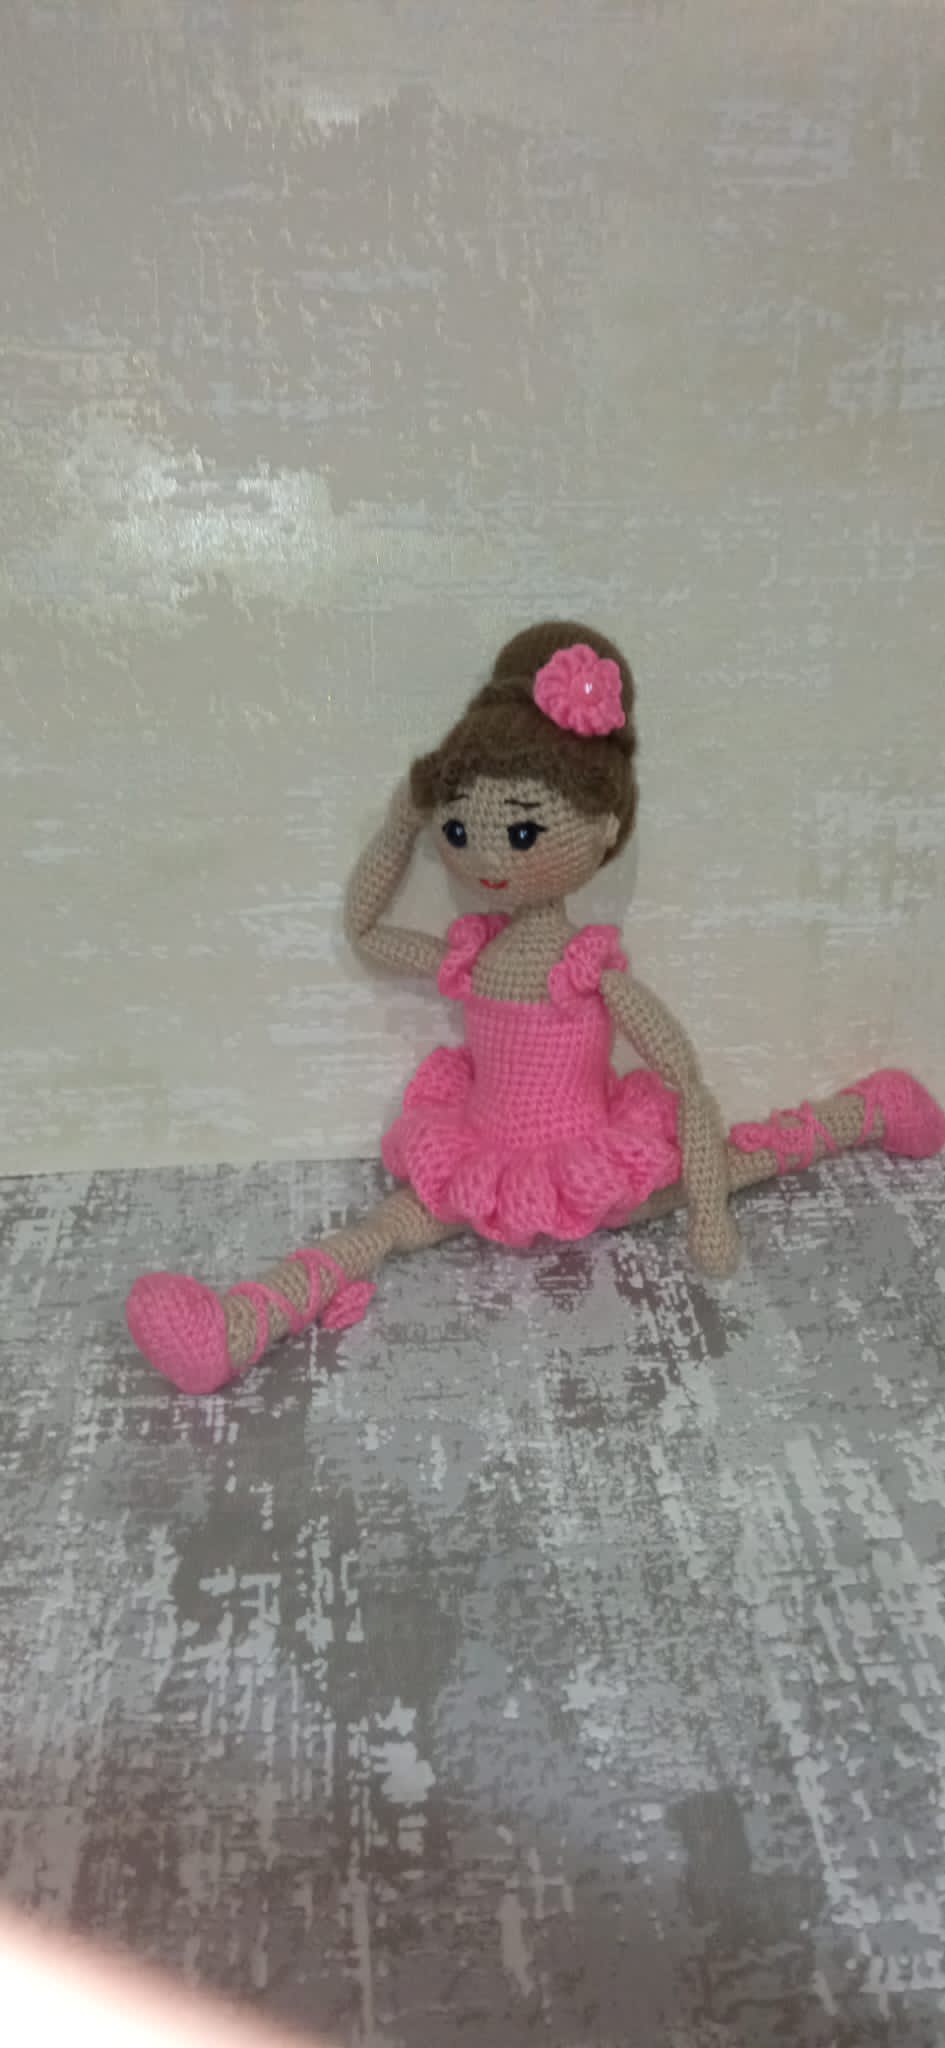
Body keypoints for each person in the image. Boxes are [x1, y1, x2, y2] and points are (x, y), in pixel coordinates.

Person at [126, 622, 945, 1395]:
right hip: (482, 1156)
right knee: (390, 1224)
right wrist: (400, 821)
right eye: (457, 829)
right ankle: (246, 1318)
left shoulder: (585, 970)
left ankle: (862, 1112)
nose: (485, 858)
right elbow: (365, 932)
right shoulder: (476, 957)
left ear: (602, 831)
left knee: (731, 1162)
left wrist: (708, 1214)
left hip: (592, 1163)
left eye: (520, 835)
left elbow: (684, 1080)